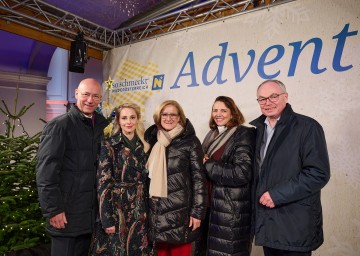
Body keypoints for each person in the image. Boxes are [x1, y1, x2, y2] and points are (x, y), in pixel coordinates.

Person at [250, 79, 330, 256]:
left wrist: (277, 195)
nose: (267, 102)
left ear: (285, 97)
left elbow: (318, 174)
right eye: (262, 99)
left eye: (273, 96)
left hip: (295, 224)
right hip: (268, 223)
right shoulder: (257, 131)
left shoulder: (308, 127)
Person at [36, 78, 109, 256]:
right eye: (86, 94)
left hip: (91, 217)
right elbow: (46, 172)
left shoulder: (103, 125)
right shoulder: (59, 126)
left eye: (95, 96)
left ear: (100, 99)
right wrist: (53, 209)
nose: (90, 100)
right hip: (66, 215)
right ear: (76, 93)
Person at [89, 103, 153, 255]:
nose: (128, 122)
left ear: (138, 120)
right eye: (124, 118)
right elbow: (103, 184)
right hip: (117, 209)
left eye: (132, 117)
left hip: (140, 209)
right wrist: (107, 219)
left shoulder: (145, 146)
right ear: (118, 121)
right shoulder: (109, 146)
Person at [145, 100, 207, 256]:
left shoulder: (191, 142)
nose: (168, 118)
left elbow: (199, 180)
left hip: (180, 215)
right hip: (156, 211)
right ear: (159, 117)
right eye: (164, 114)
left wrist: (197, 213)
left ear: (180, 117)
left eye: (173, 114)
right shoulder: (152, 140)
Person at [195, 96, 255, 256]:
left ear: (233, 113)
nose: (218, 114)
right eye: (215, 110)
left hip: (229, 211)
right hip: (209, 207)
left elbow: (242, 173)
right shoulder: (212, 134)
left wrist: (207, 164)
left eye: (223, 110)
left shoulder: (243, 134)